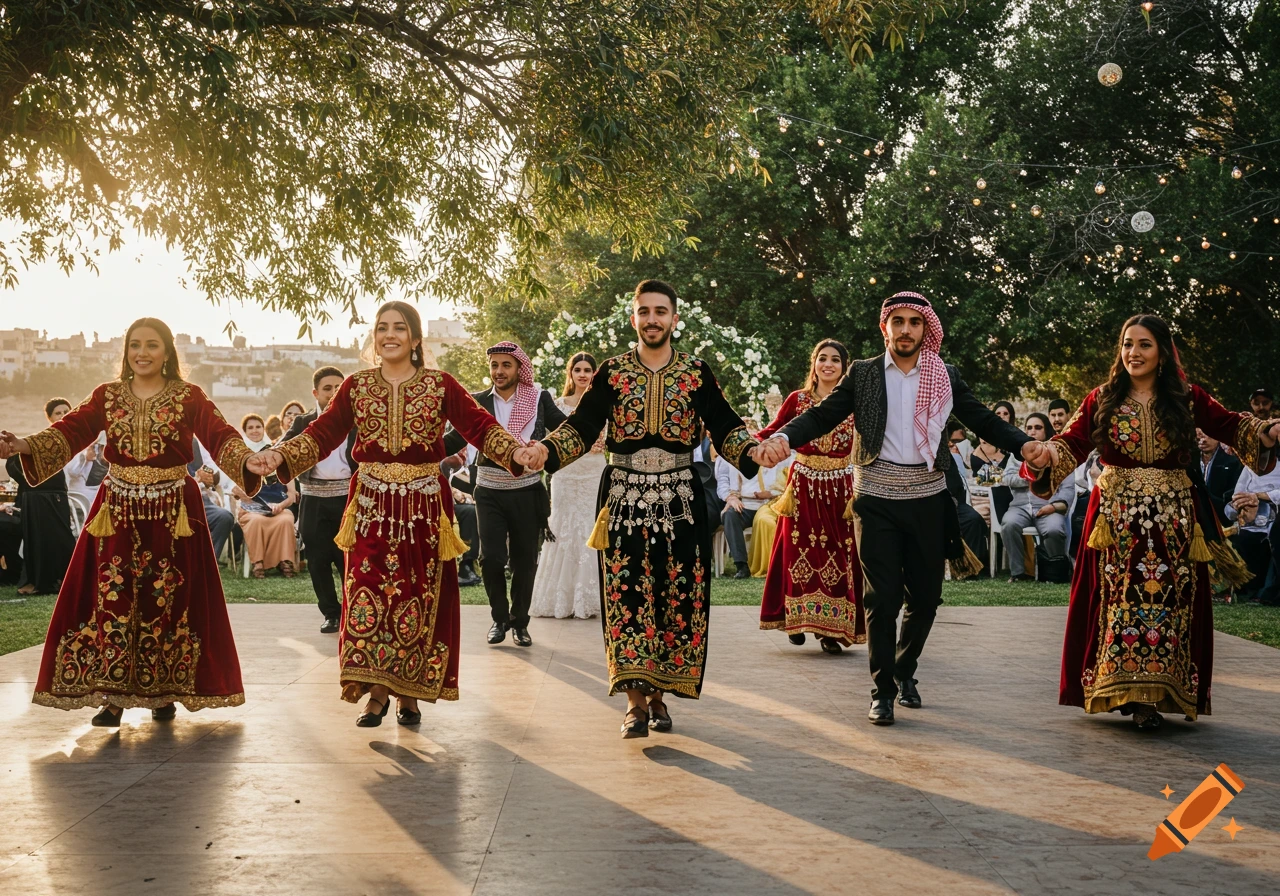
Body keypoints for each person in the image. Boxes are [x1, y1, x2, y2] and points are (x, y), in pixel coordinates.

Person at [753, 292, 1040, 726]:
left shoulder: (944, 374)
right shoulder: (864, 373)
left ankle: (906, 672)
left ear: (926, 329)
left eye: (914, 322)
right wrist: (783, 439)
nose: (906, 329)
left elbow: (983, 420)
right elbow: (822, 416)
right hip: (876, 499)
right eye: (898, 321)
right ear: (885, 327)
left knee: (926, 599)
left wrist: (1026, 444)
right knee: (881, 599)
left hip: (929, 497)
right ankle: (882, 690)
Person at [250, 301, 539, 728]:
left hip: (423, 507)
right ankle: (377, 691)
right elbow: (323, 433)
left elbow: (478, 425)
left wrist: (515, 450)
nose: (389, 334)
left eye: (399, 328)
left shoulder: (441, 385)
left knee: (416, 597)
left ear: (416, 339)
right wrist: (279, 455)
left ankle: (408, 694)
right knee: (368, 592)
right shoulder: (356, 385)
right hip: (370, 507)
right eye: (382, 327)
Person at [0, 317, 260, 725]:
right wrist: (23, 444)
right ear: (125, 352)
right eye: (135, 345)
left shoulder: (190, 396)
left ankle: (164, 692)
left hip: (175, 511)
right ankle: (114, 694)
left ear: (168, 352)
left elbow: (219, 434)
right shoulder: (107, 396)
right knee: (113, 595)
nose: (142, 352)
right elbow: (70, 431)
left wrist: (247, 459)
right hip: (117, 510)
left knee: (169, 599)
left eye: (152, 345)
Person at [537, 279, 760, 738]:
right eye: (645, 312)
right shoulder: (612, 373)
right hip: (622, 498)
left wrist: (753, 452)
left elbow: (724, 424)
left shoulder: (697, 373)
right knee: (627, 595)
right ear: (633, 318)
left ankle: (661, 697)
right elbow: (580, 427)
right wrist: (543, 452)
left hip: (680, 498)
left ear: (675, 319)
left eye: (661, 311)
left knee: (674, 596)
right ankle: (635, 704)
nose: (653, 319)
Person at [1033, 314, 1279, 730]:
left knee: (1169, 603)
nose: (1134, 353)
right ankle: (1119, 689)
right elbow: (1070, 443)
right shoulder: (1102, 398)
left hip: (1173, 520)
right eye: (1128, 344)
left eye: (1144, 344)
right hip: (1116, 518)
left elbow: (1231, 425)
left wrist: (1268, 430)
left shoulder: (1187, 397)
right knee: (1118, 603)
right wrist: (1046, 455)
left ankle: (1159, 692)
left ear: (1162, 351)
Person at [443, 341, 566, 647]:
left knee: (525, 560)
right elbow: (453, 438)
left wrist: (544, 449)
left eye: (505, 365)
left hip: (527, 491)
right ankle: (499, 619)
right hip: (488, 490)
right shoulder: (477, 402)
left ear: (519, 368)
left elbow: (565, 431)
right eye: (494, 365)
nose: (498, 371)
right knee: (492, 558)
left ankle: (520, 623)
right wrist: (419, 449)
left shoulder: (539, 399)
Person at [757, 339, 866, 652]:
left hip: (840, 491)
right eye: (822, 359)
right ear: (814, 364)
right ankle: (796, 619)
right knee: (797, 552)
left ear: (845, 368)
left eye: (835, 359)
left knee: (840, 554)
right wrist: (747, 443)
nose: (828, 364)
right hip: (803, 486)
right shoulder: (798, 399)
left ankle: (831, 632)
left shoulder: (853, 401)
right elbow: (774, 430)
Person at [530, 353, 607, 619]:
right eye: (578, 370)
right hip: (566, 474)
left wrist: (603, 444)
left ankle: (589, 598)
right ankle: (557, 599)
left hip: (594, 472)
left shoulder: (604, 405)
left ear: (594, 374)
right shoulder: (558, 406)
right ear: (570, 374)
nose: (583, 374)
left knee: (589, 527)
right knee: (562, 527)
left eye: (588, 370)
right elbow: (552, 440)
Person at [282, 367, 355, 633]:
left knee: (349, 560)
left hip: (349, 499)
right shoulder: (303, 422)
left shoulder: (357, 420)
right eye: (328, 388)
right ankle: (331, 614)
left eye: (339, 387)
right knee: (318, 561)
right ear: (315, 392)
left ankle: (353, 612)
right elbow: (283, 449)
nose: (334, 393)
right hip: (313, 499)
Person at [4, 397, 78, 595]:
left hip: (61, 496)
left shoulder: (81, 438)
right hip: (38, 496)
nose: (63, 416)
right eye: (58, 413)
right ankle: (37, 580)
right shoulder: (43, 439)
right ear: (49, 417)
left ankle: (65, 579)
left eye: (66, 411)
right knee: (36, 539)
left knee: (60, 539)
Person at [999, 412, 1073, 582]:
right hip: (1020, 507)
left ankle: (1054, 573)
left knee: (1055, 529)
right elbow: (1007, 478)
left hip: (1047, 506)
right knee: (1009, 524)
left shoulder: (1058, 454)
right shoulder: (1017, 454)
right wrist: (1030, 476)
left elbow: (1068, 487)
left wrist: (1054, 507)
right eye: (1029, 427)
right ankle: (1018, 573)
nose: (1032, 431)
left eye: (1037, 427)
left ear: (1046, 430)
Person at [715, 448, 788, 578]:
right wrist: (730, 498)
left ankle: (776, 564)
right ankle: (741, 566)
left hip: (770, 503)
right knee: (730, 515)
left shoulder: (773, 447)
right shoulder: (728, 450)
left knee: (769, 520)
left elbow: (785, 481)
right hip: (744, 503)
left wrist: (771, 493)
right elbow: (722, 482)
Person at [1224, 463, 1280, 603]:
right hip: (1248, 522)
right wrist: (1244, 503)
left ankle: (1262, 590)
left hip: (1271, 522)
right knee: (1242, 538)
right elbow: (1238, 494)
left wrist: (1258, 496)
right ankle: (1242, 587)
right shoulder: (1249, 468)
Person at [233, 471, 297, 578]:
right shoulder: (249, 469)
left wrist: (280, 506)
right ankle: (257, 562)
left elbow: (291, 497)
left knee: (286, 519)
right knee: (256, 521)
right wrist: (241, 493)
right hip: (251, 511)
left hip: (278, 510)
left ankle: (285, 560)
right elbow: (235, 492)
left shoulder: (286, 471)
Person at [187, 438, 241, 564]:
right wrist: (195, 480)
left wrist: (209, 477)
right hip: (171, 502)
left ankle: (207, 564)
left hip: (201, 500)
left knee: (224, 517)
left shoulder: (194, 442)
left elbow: (214, 471)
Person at [946, 421, 989, 576]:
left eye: (957, 442)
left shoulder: (953, 458)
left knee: (974, 519)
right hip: (934, 504)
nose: (953, 444)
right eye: (952, 441)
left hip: (956, 504)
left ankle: (974, 568)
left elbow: (958, 485)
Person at [1198, 429, 1243, 527]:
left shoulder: (1233, 463)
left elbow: (1233, 495)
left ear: (1218, 438)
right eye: (1200, 436)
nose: (1203, 440)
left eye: (1209, 436)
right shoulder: (1189, 463)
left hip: (1221, 521)